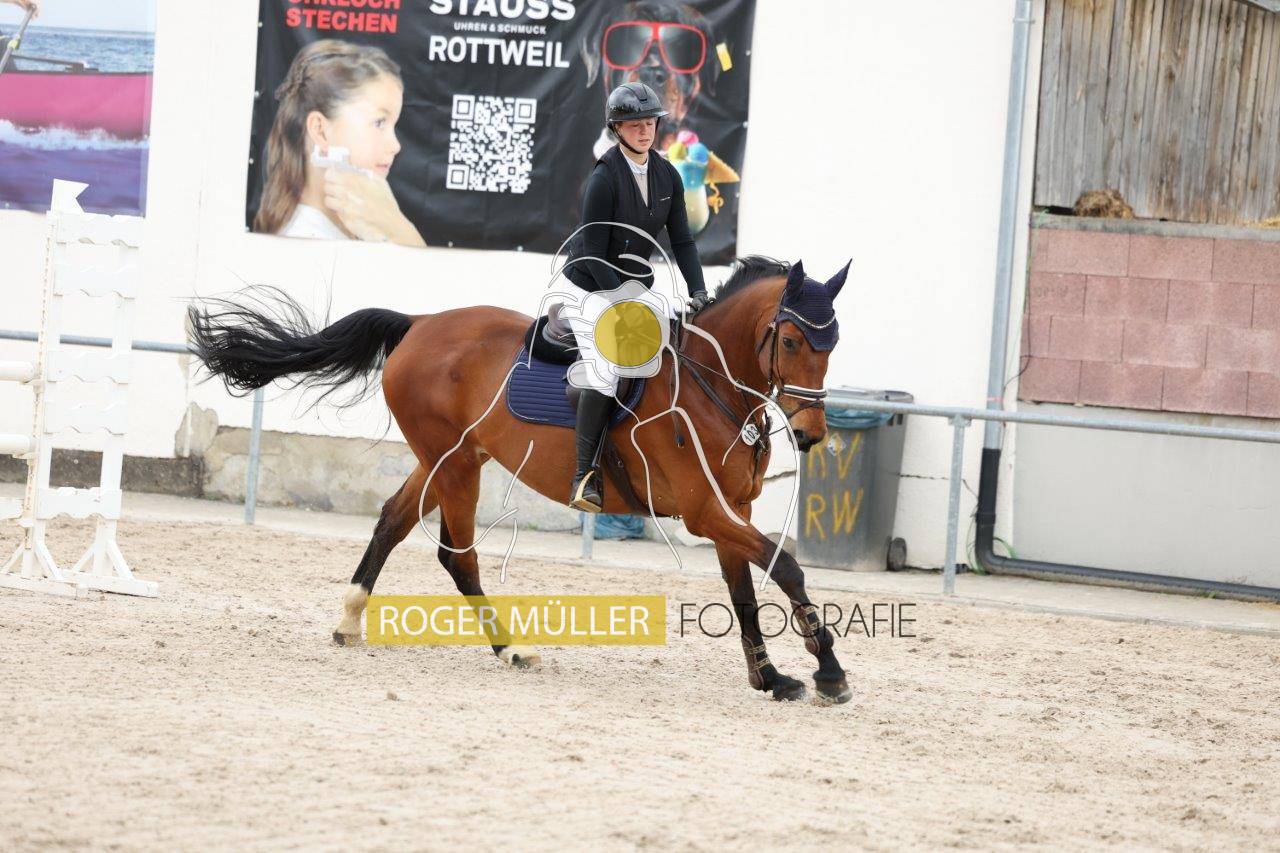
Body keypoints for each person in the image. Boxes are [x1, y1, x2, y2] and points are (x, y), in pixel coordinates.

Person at [561, 81, 711, 512]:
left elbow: (683, 241)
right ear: (617, 129)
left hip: (634, 285)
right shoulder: (604, 178)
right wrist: (619, 300)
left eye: (650, 123)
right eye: (634, 125)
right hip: (590, 285)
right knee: (606, 369)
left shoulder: (668, 175)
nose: (644, 131)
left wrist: (698, 290)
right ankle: (584, 476)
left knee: (670, 353)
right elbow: (592, 251)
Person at [253, 40, 425, 247]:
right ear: (320, 130)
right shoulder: (306, 244)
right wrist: (397, 228)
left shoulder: (355, 230)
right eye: (379, 122)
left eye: (393, 125)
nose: (396, 146)